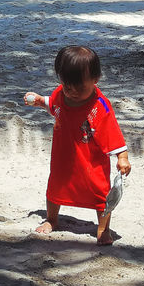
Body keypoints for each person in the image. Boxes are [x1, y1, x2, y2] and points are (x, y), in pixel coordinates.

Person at [24, 45, 131, 245]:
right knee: (56, 186)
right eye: (67, 86)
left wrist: (122, 157)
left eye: (79, 87)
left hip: (91, 161)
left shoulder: (101, 105)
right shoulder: (61, 94)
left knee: (101, 193)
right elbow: (55, 105)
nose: (71, 92)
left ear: (95, 79)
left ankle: (102, 229)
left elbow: (113, 132)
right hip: (64, 157)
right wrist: (41, 101)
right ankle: (52, 219)